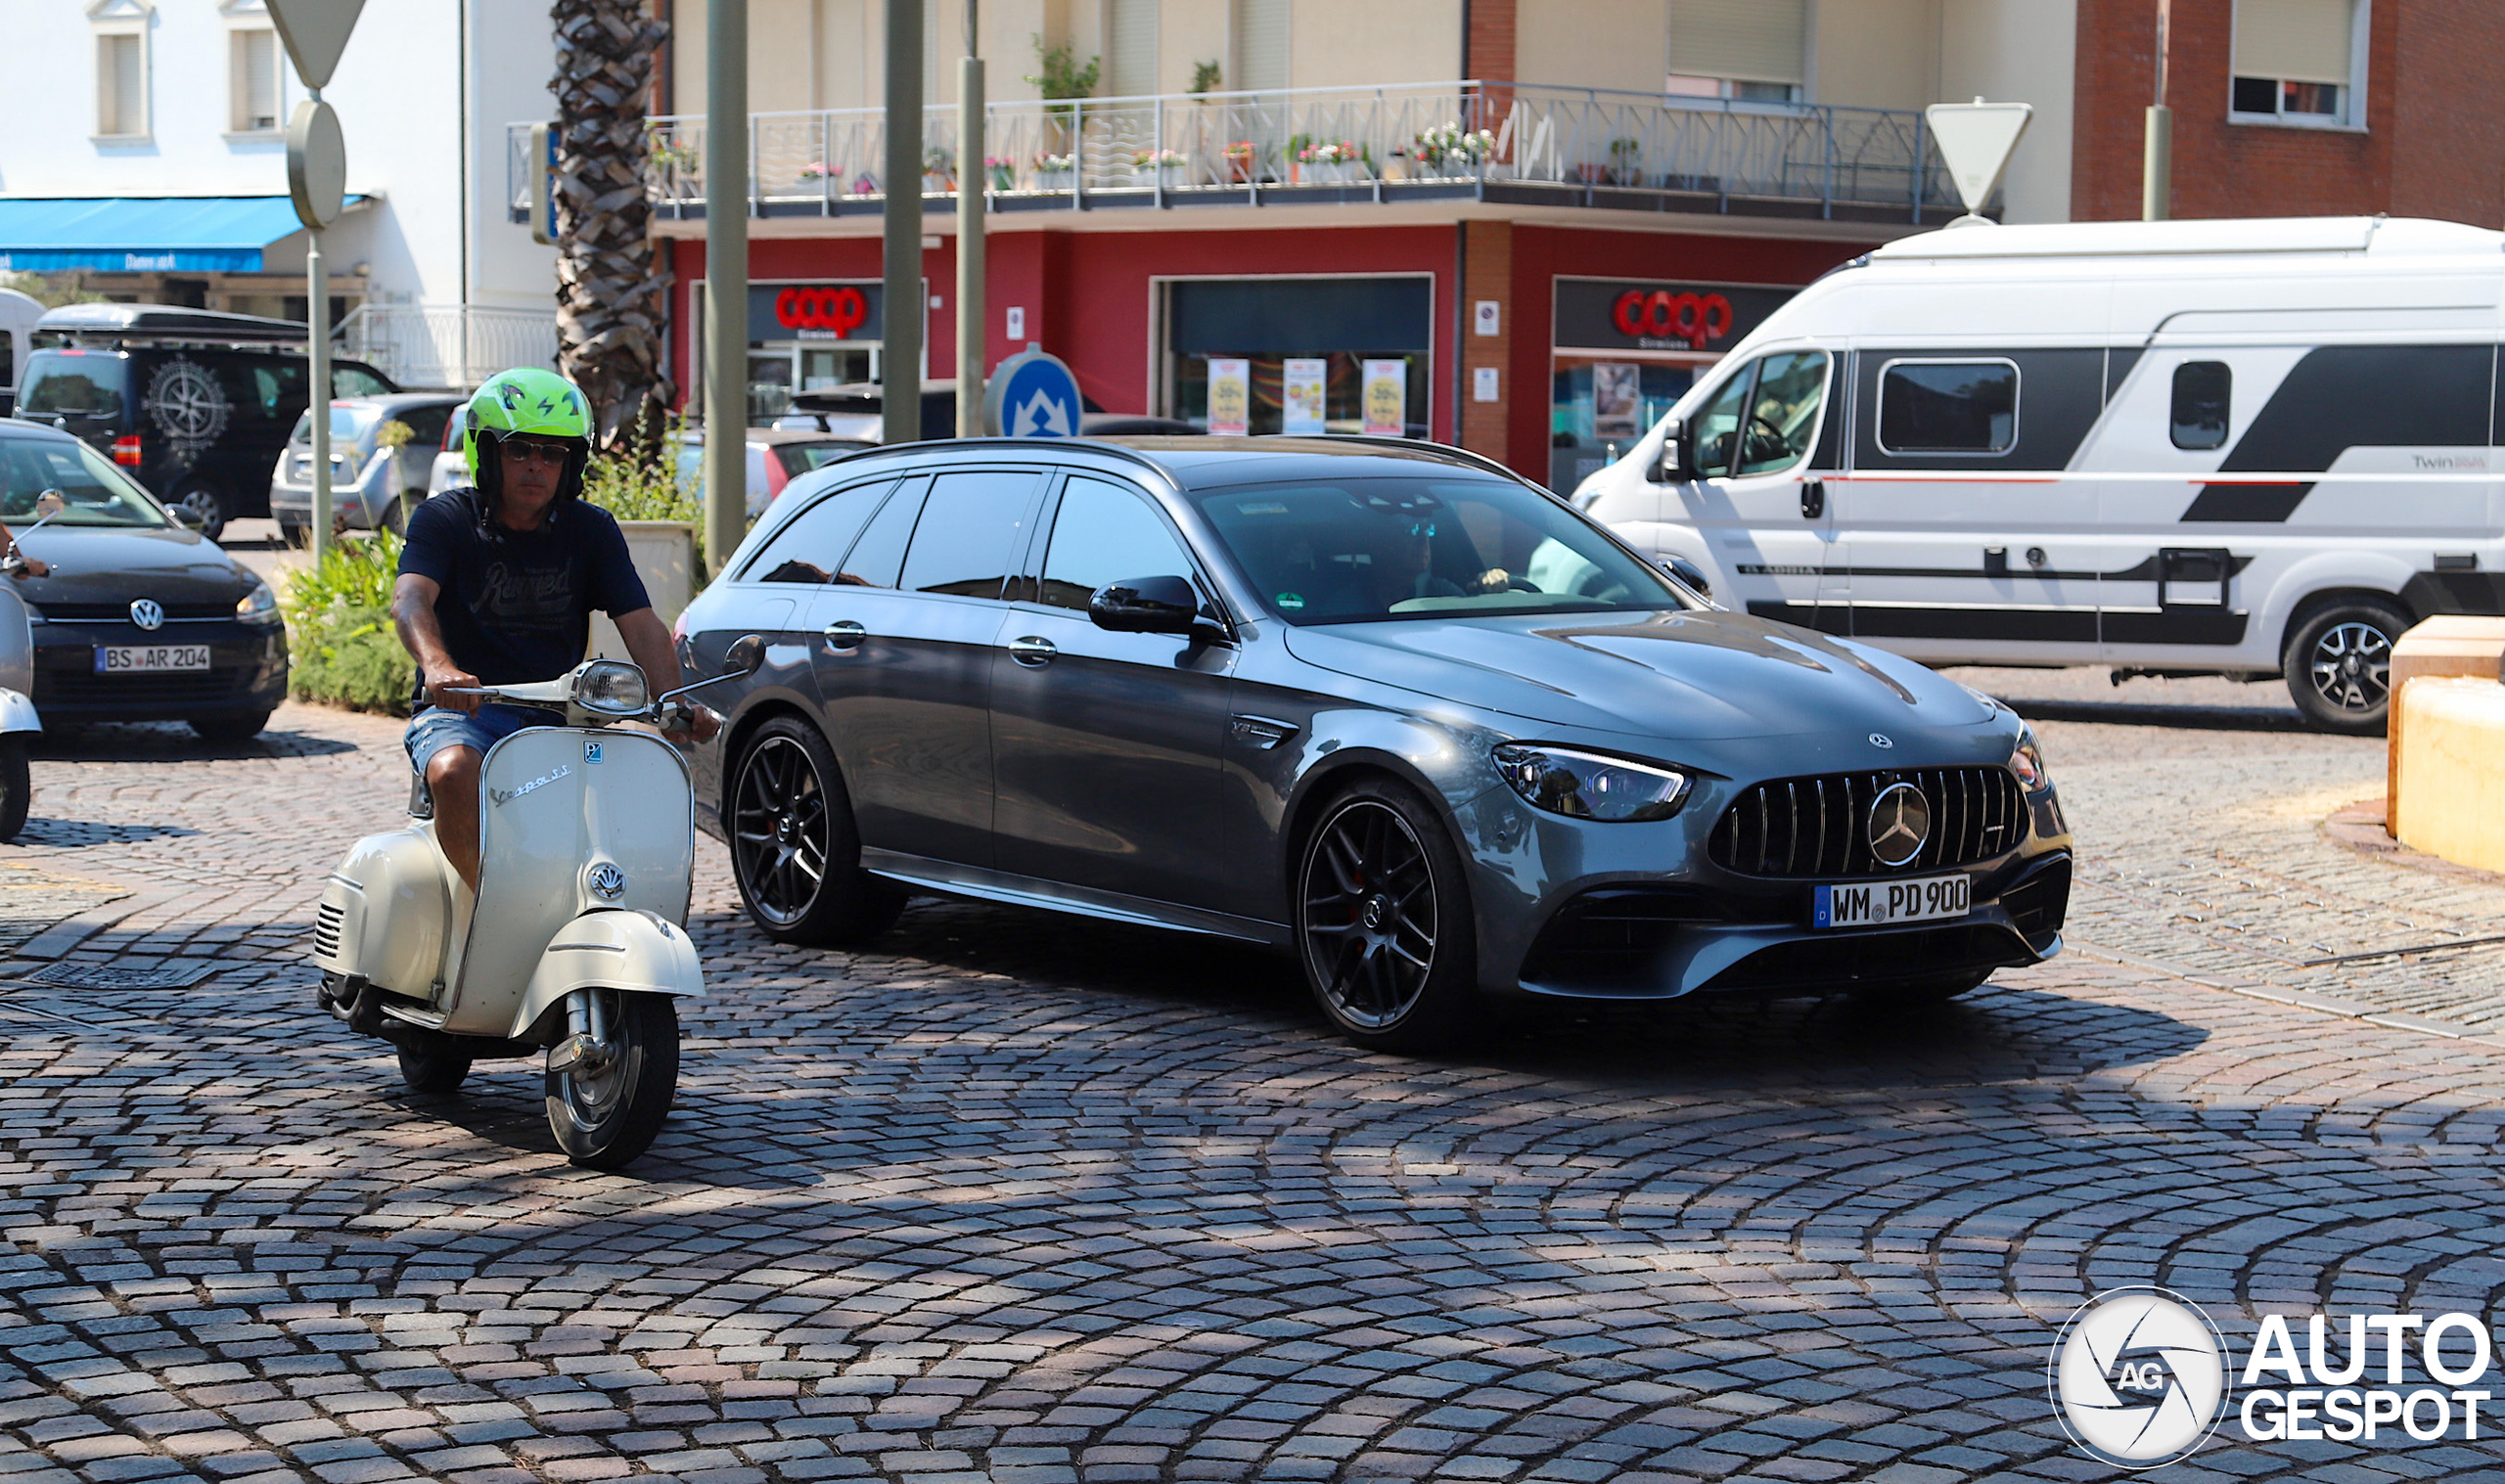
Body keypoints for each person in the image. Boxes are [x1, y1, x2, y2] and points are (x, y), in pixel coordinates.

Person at [391, 368, 716, 890]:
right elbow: (411, 600)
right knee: (453, 770)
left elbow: (642, 624)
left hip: (562, 715)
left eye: (553, 453)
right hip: (465, 712)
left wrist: (675, 703)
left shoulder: (591, 530)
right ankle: (493, 904)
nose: (537, 466)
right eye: (521, 451)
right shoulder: (444, 520)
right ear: (489, 454)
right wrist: (439, 667)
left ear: (572, 464)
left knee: (628, 795)